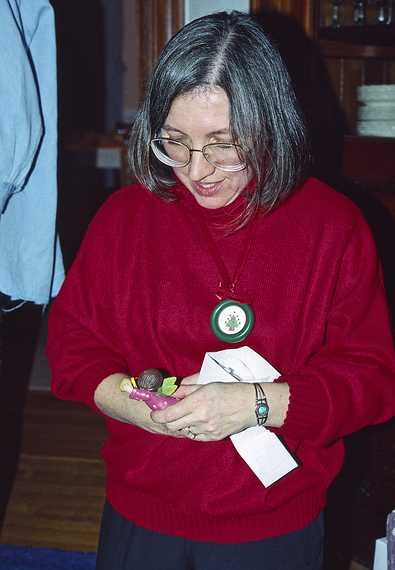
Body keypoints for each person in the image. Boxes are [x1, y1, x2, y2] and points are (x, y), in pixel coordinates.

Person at [47, 11, 395, 570]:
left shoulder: (335, 228)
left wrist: (255, 406)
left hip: (275, 519)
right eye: (174, 142)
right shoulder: (124, 219)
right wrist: (133, 404)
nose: (196, 169)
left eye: (224, 143)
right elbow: (70, 345)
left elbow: (373, 379)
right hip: (141, 512)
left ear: (272, 123)